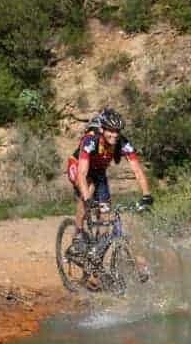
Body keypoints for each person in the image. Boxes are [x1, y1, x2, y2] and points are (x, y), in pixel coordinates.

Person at [65, 107, 152, 255]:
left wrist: (146, 195)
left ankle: (96, 251)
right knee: (89, 188)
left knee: (106, 212)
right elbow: (82, 172)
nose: (114, 135)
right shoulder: (90, 140)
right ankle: (78, 235)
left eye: (117, 131)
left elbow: (137, 170)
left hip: (99, 172)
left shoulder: (123, 143)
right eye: (110, 131)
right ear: (102, 129)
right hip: (78, 166)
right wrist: (87, 199)